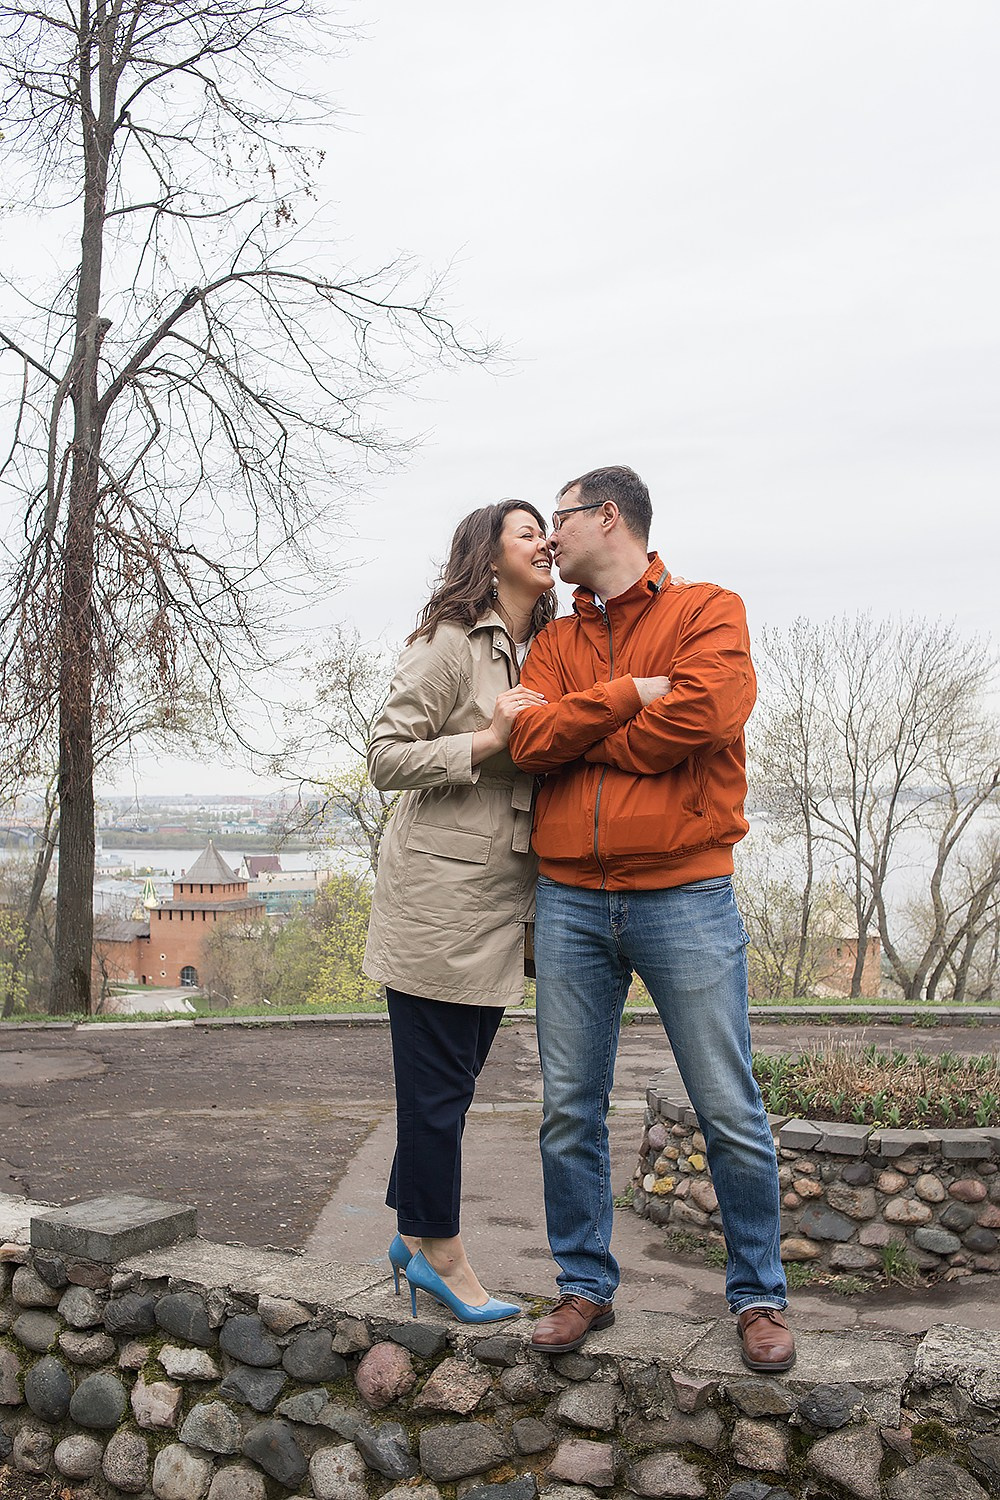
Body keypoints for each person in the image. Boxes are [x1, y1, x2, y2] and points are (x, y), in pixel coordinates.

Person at [508, 465, 794, 1371]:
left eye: (559, 520)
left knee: (728, 1106)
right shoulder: (553, 640)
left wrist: (584, 729)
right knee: (568, 1109)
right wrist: (632, 698)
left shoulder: (711, 609)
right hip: (570, 901)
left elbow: (708, 713)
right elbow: (528, 742)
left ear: (608, 516)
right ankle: (584, 1286)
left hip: (686, 895)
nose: (549, 540)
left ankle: (759, 1297)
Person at [364, 499, 556, 1324]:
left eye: (550, 530)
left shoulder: (543, 650)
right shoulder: (450, 645)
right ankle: (442, 1253)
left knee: (450, 1089)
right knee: (438, 1096)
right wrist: (485, 740)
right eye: (528, 532)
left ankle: (410, 1235)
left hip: (501, 904)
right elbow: (385, 756)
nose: (546, 542)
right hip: (439, 905)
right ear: (489, 553)